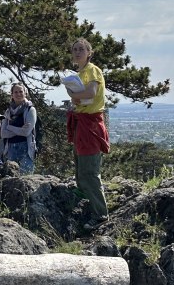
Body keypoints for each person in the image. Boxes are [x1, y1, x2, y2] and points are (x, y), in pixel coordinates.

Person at [66, 38, 110, 230]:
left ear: (89, 52)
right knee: (80, 166)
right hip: (81, 124)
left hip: (90, 125)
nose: (77, 52)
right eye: (75, 49)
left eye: (81, 49)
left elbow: (91, 93)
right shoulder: (79, 73)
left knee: (89, 171)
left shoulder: (92, 70)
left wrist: (73, 95)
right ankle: (86, 201)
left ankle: (100, 214)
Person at [0, 83, 37, 175]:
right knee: (11, 177)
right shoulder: (8, 112)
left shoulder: (30, 110)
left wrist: (9, 127)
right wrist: (19, 130)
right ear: (12, 94)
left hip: (26, 148)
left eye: (21, 91)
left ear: (25, 93)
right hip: (10, 148)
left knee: (26, 177)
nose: (18, 94)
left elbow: (26, 132)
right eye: (15, 92)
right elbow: (3, 134)